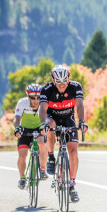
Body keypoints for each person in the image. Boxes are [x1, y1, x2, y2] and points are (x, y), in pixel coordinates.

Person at [39, 64, 88, 203]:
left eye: (64, 81)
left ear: (69, 79)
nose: (62, 84)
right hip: (52, 117)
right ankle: (51, 157)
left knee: (73, 151)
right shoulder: (47, 89)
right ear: (53, 80)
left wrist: (82, 121)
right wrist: (43, 124)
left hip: (68, 119)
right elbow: (42, 109)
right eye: (58, 82)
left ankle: (72, 186)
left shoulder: (75, 87)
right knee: (50, 126)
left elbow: (79, 105)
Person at [14, 84, 47, 189]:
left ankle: (42, 170)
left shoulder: (44, 103)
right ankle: (22, 178)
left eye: (38, 97)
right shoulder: (22, 103)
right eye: (33, 98)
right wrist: (17, 128)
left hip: (39, 128)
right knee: (22, 155)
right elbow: (17, 119)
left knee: (42, 144)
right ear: (28, 96)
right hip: (25, 130)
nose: (36, 100)